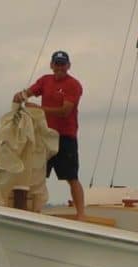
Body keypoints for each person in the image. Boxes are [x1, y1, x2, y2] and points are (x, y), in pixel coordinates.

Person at [13, 50, 85, 219]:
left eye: (63, 64)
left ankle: (81, 213)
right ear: (52, 65)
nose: (60, 67)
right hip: (45, 136)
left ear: (68, 66)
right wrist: (20, 96)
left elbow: (65, 111)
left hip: (65, 136)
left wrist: (39, 109)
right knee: (35, 173)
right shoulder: (45, 80)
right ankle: (32, 210)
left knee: (71, 177)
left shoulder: (73, 85)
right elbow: (29, 92)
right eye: (57, 64)